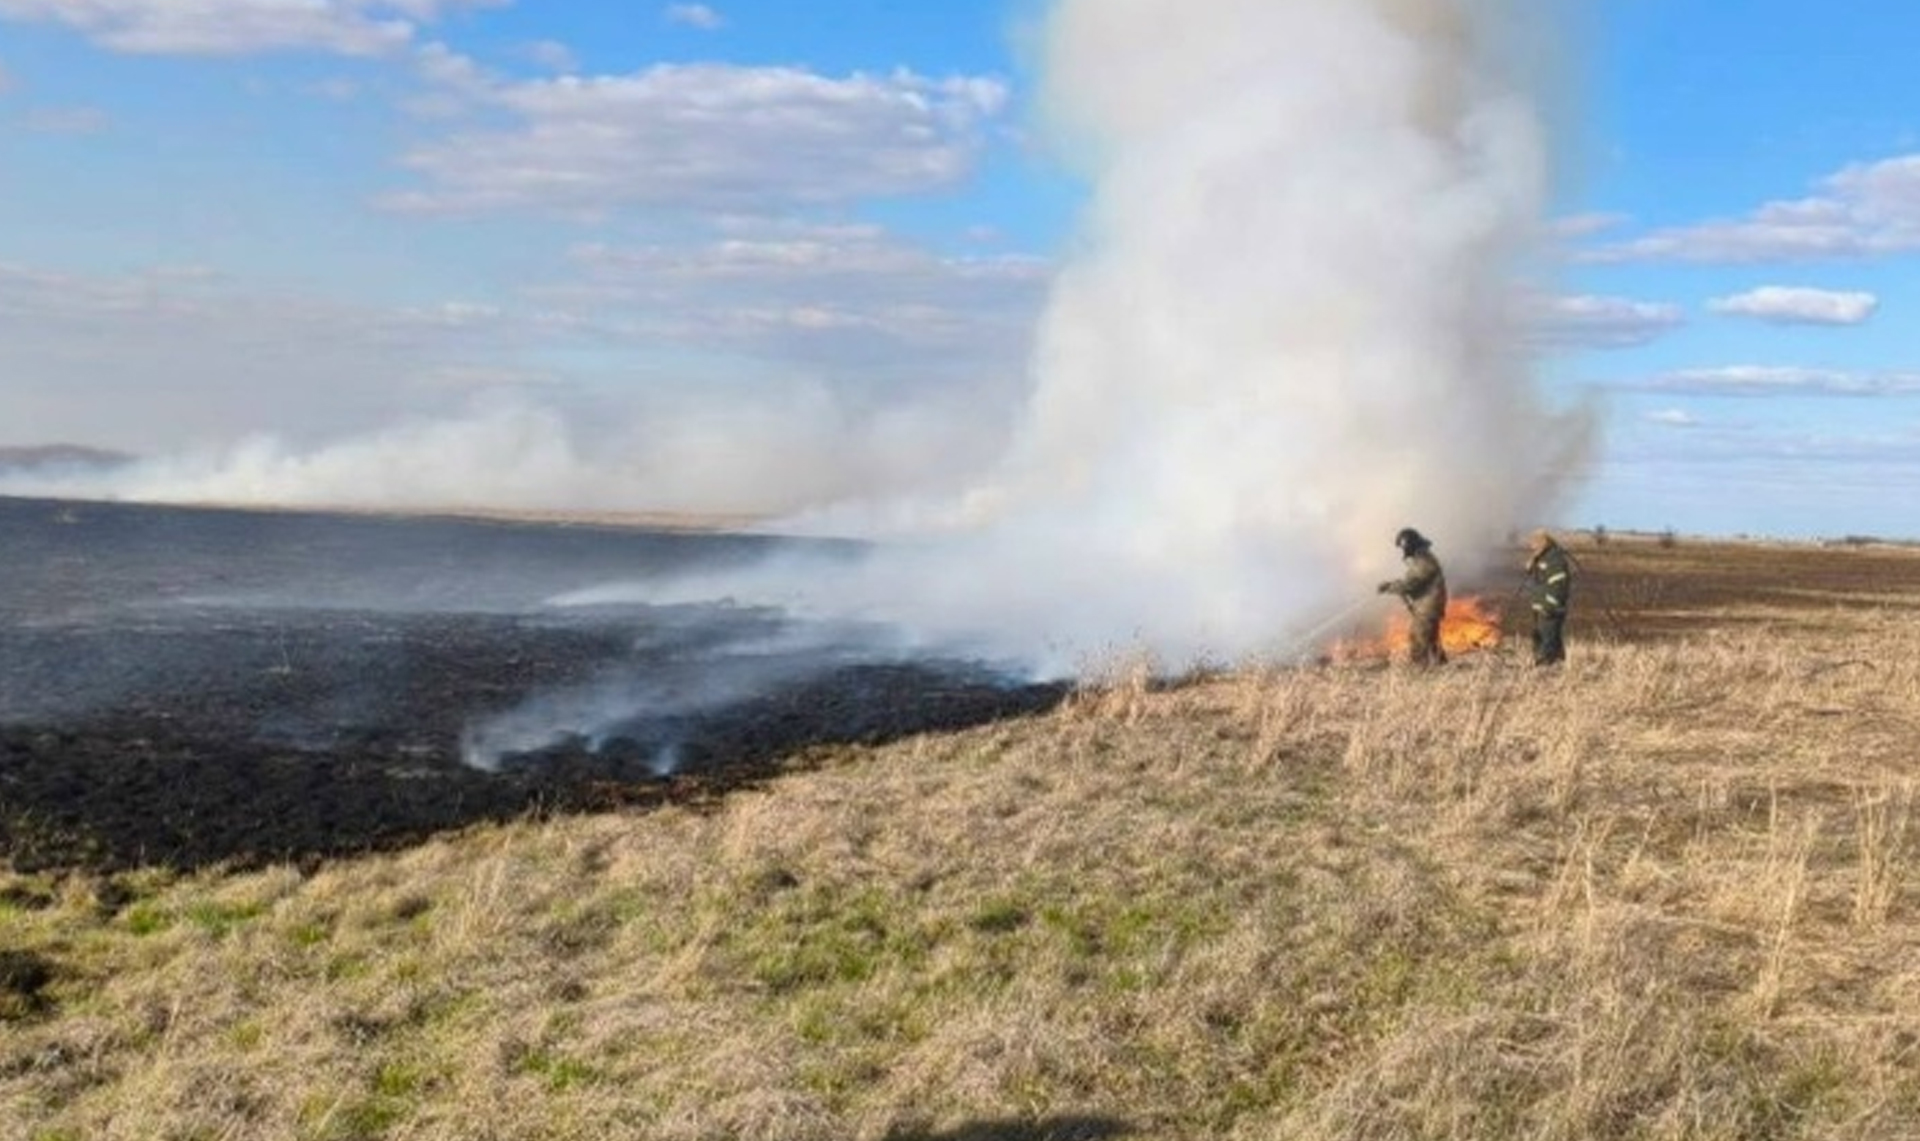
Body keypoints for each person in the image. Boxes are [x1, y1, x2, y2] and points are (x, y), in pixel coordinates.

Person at [1377, 527, 1448, 666]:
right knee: (1431, 640)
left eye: (1403, 547)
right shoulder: (1422, 558)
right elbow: (1411, 581)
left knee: (1418, 639)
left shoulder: (1424, 561)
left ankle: (1420, 673)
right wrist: (1391, 585)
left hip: (1428, 607)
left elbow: (1412, 583)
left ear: (1409, 546)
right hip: (1428, 606)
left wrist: (1390, 588)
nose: (1403, 551)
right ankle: (1442, 668)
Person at [1522, 529, 1572, 666]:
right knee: (1542, 636)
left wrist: (1549, 605)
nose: (1531, 546)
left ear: (1544, 542)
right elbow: (1539, 578)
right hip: (1541, 606)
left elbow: (1559, 585)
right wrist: (1532, 564)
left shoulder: (1555, 560)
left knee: (1547, 638)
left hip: (1550, 608)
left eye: (1534, 543)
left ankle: (1545, 666)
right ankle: (1557, 665)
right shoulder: (1542, 558)